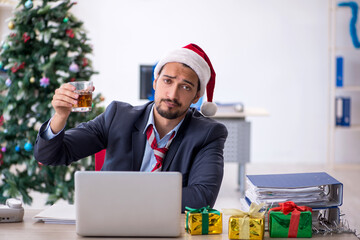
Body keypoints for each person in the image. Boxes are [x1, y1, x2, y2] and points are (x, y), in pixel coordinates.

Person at [34, 43, 228, 212]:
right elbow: (50, 155)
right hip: (111, 223)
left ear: (196, 97)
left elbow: (202, 198)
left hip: (166, 228)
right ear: (155, 82)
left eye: (185, 87)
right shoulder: (118, 116)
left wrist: (127, 197)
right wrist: (60, 116)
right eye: (167, 81)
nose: (172, 94)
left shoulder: (208, 134)